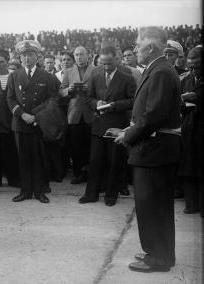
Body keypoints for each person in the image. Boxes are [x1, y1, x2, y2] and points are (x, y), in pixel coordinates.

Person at [115, 26, 181, 272]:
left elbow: (154, 115)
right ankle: (156, 251)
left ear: (150, 47)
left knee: (154, 205)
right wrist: (130, 132)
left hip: (155, 150)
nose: (134, 49)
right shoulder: (157, 69)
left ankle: (160, 258)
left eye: (137, 44)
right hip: (153, 149)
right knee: (150, 204)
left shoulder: (161, 72)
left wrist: (128, 136)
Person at [80, 46, 135, 206]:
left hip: (117, 126)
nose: (106, 67)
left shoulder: (127, 78)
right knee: (95, 160)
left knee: (114, 161)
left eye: (109, 63)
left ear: (117, 59)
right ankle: (92, 194)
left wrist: (114, 105)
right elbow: (88, 98)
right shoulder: (95, 76)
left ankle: (111, 194)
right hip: (99, 125)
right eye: (103, 63)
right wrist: (97, 103)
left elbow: (132, 101)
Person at [7, 40, 58, 204]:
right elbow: (10, 99)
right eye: (23, 55)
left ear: (37, 56)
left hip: (39, 122)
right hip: (21, 123)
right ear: (20, 57)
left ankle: (40, 191)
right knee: (23, 157)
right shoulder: (14, 76)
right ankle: (25, 190)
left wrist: (37, 115)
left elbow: (53, 98)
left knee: (39, 158)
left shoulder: (47, 76)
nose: (26, 58)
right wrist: (22, 115)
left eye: (30, 54)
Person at [59, 46, 95, 184]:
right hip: (74, 114)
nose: (79, 57)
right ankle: (79, 173)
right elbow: (60, 92)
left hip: (91, 113)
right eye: (77, 55)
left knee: (91, 145)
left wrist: (89, 89)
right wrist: (69, 90)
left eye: (81, 54)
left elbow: (101, 90)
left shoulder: (96, 70)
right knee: (76, 146)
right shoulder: (68, 72)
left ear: (88, 55)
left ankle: (92, 172)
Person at [178, 46, 203, 216]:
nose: (193, 70)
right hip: (188, 129)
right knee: (188, 167)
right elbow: (177, 105)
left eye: (197, 67)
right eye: (190, 67)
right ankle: (191, 203)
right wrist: (181, 101)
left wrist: (198, 99)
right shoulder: (185, 79)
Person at [0, 49, 20, 190]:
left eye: (2, 61)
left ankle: (13, 178)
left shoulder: (12, 76)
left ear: (7, 62)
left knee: (11, 149)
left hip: (10, 117)